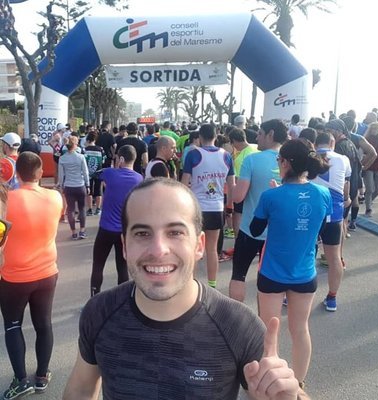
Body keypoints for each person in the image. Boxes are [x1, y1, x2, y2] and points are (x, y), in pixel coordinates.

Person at [63, 178, 301, 400]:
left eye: (175, 232)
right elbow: (81, 390)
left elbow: (288, 393)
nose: (159, 250)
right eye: (142, 233)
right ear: (124, 246)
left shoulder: (239, 326)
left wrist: (283, 396)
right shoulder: (99, 312)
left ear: (199, 245)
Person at [250, 139, 331, 388]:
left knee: (268, 332)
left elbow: (255, 230)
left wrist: (277, 198)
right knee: (300, 329)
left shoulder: (270, 196)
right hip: (305, 274)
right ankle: (298, 384)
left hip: (272, 273)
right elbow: (322, 229)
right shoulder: (323, 193)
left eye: (279, 160)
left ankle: (268, 384)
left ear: (285, 163)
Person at [0, 152, 62, 398]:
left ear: (16, 173)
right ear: (40, 173)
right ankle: (42, 376)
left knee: (13, 326)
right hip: (47, 273)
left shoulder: (7, 199)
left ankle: (21, 381)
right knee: (44, 325)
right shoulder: (56, 197)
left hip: (14, 277)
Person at [229, 119, 287, 302]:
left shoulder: (252, 160)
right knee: (270, 281)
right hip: (278, 232)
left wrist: (231, 184)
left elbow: (238, 197)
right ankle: (267, 318)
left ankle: (237, 316)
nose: (257, 138)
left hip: (250, 229)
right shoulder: (289, 161)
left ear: (270, 134)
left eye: (260, 134)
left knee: (238, 276)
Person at [181, 124, 235, 288]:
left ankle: (191, 285)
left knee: (193, 248)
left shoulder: (193, 154)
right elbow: (231, 185)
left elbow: (184, 183)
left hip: (196, 208)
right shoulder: (226, 156)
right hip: (217, 207)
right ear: (215, 136)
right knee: (212, 249)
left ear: (200, 137)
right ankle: (212, 285)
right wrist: (229, 207)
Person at [90, 145, 143, 296]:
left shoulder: (110, 173)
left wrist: (113, 166)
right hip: (124, 232)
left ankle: (94, 297)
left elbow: (95, 173)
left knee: (98, 265)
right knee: (122, 267)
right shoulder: (139, 178)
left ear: (121, 159)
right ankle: (123, 300)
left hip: (106, 230)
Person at [313, 132, 351, 311]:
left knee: (304, 254)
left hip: (311, 211)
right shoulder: (343, 159)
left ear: (315, 144)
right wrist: (347, 198)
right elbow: (346, 184)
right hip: (334, 213)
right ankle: (332, 298)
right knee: (334, 258)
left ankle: (294, 295)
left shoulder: (309, 157)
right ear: (332, 142)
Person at [228, 127, 258, 237]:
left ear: (234, 141)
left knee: (237, 215)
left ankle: (238, 240)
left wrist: (232, 199)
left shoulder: (240, 158)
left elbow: (236, 181)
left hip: (245, 191)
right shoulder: (256, 147)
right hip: (258, 190)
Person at [58, 136, 90, 240]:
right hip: (80, 185)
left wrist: (61, 186)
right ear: (75, 145)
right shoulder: (81, 157)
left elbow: (61, 175)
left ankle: (74, 233)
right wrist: (88, 185)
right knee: (82, 208)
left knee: (70, 209)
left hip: (68, 186)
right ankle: (82, 231)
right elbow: (85, 172)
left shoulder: (62, 158)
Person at [84, 132, 104, 216]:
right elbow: (103, 160)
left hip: (88, 173)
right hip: (99, 172)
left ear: (88, 140)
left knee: (89, 191)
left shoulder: (85, 149)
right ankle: (98, 209)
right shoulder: (100, 149)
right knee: (98, 190)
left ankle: (89, 209)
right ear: (95, 140)